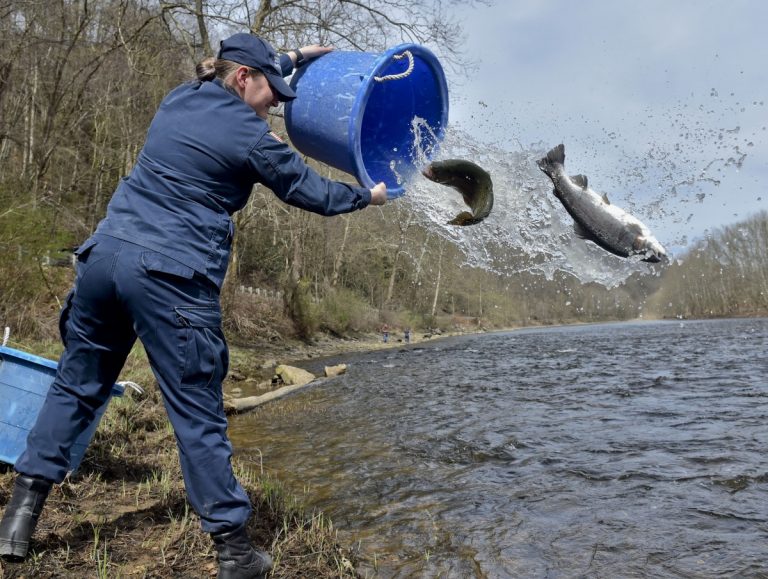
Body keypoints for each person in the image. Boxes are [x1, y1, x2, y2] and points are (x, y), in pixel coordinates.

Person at [0, 32, 387, 579]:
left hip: (104, 257)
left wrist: (297, 58)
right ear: (242, 80)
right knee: (196, 414)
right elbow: (310, 192)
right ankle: (235, 552)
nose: (277, 102)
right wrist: (365, 197)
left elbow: (252, 68)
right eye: (271, 90)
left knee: (76, 385)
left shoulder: (179, 96)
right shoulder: (252, 138)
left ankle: (18, 520)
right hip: (170, 276)